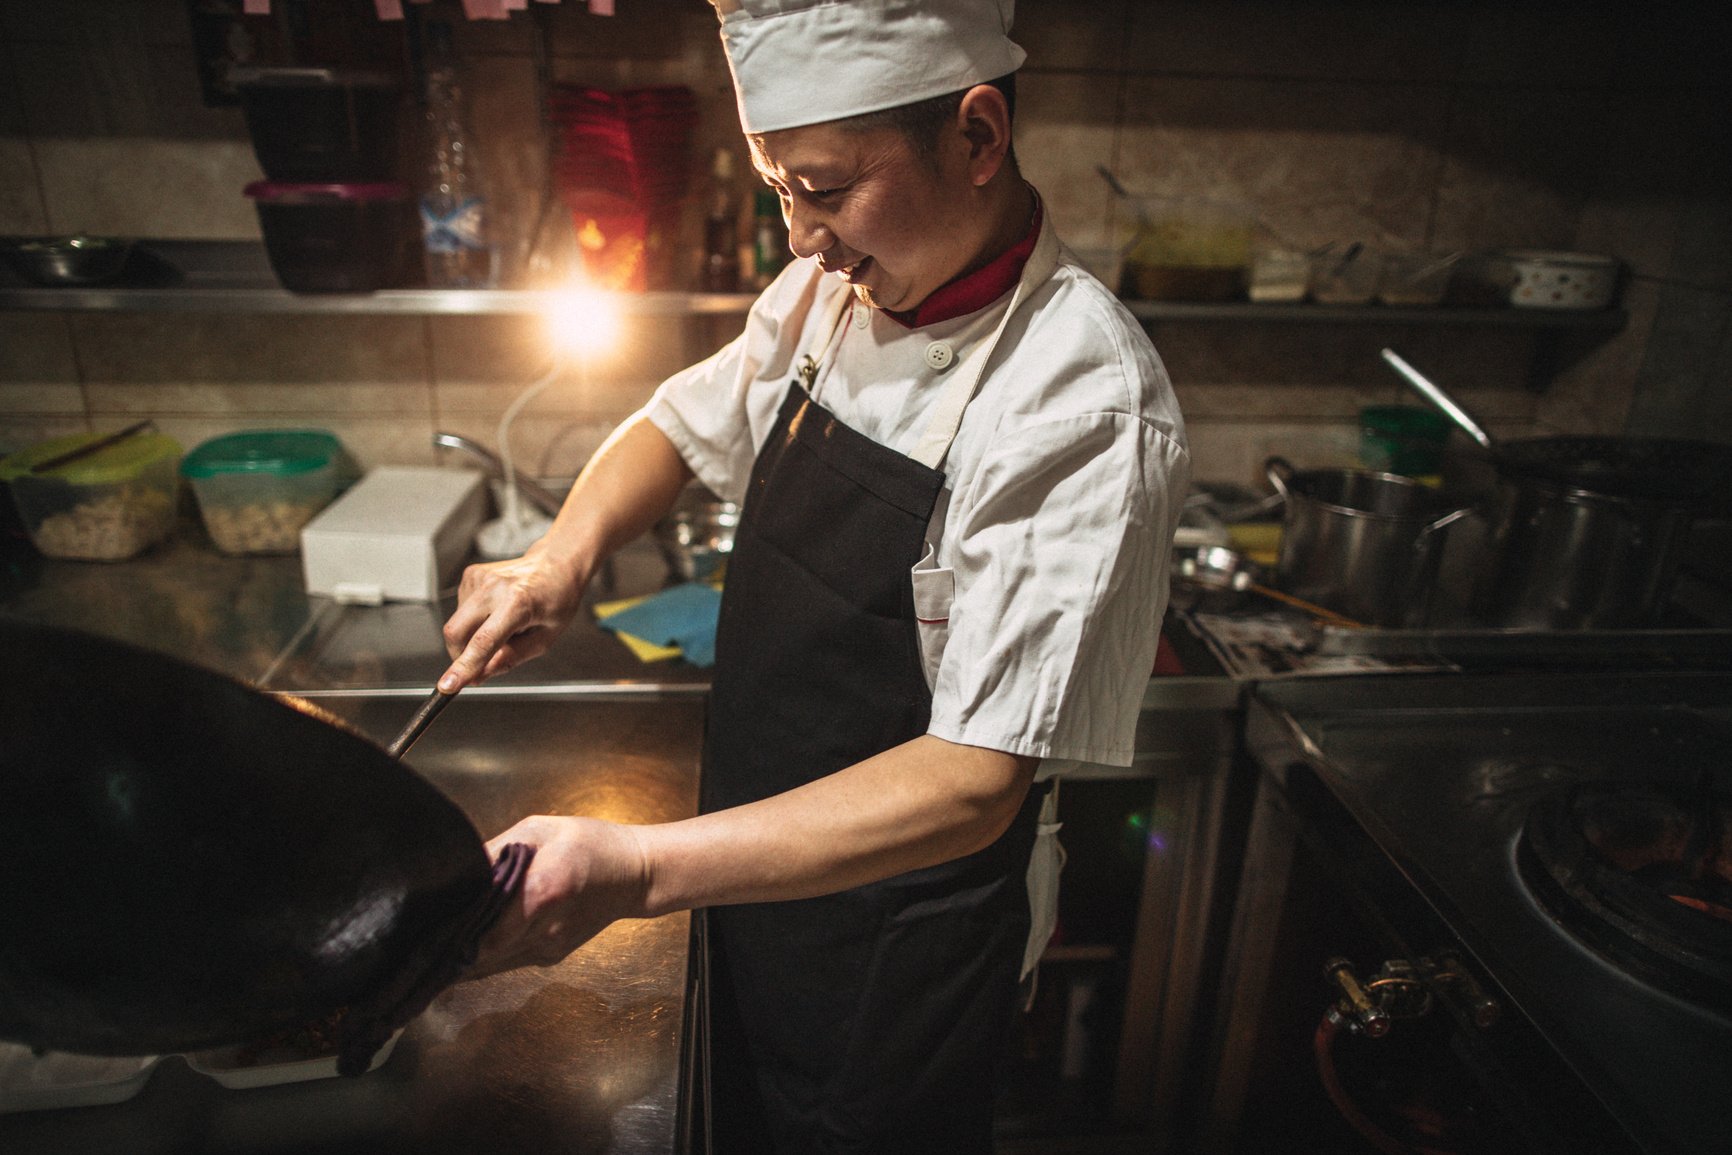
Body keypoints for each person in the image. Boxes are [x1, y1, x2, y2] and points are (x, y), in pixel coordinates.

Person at [437, 1, 1189, 1150]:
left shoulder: (1077, 400)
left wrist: (634, 864)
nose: (800, 236)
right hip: (751, 878)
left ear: (978, 137)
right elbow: (679, 426)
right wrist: (560, 558)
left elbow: (971, 781)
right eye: (777, 187)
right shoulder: (833, 291)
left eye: (826, 189)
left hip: (902, 953)